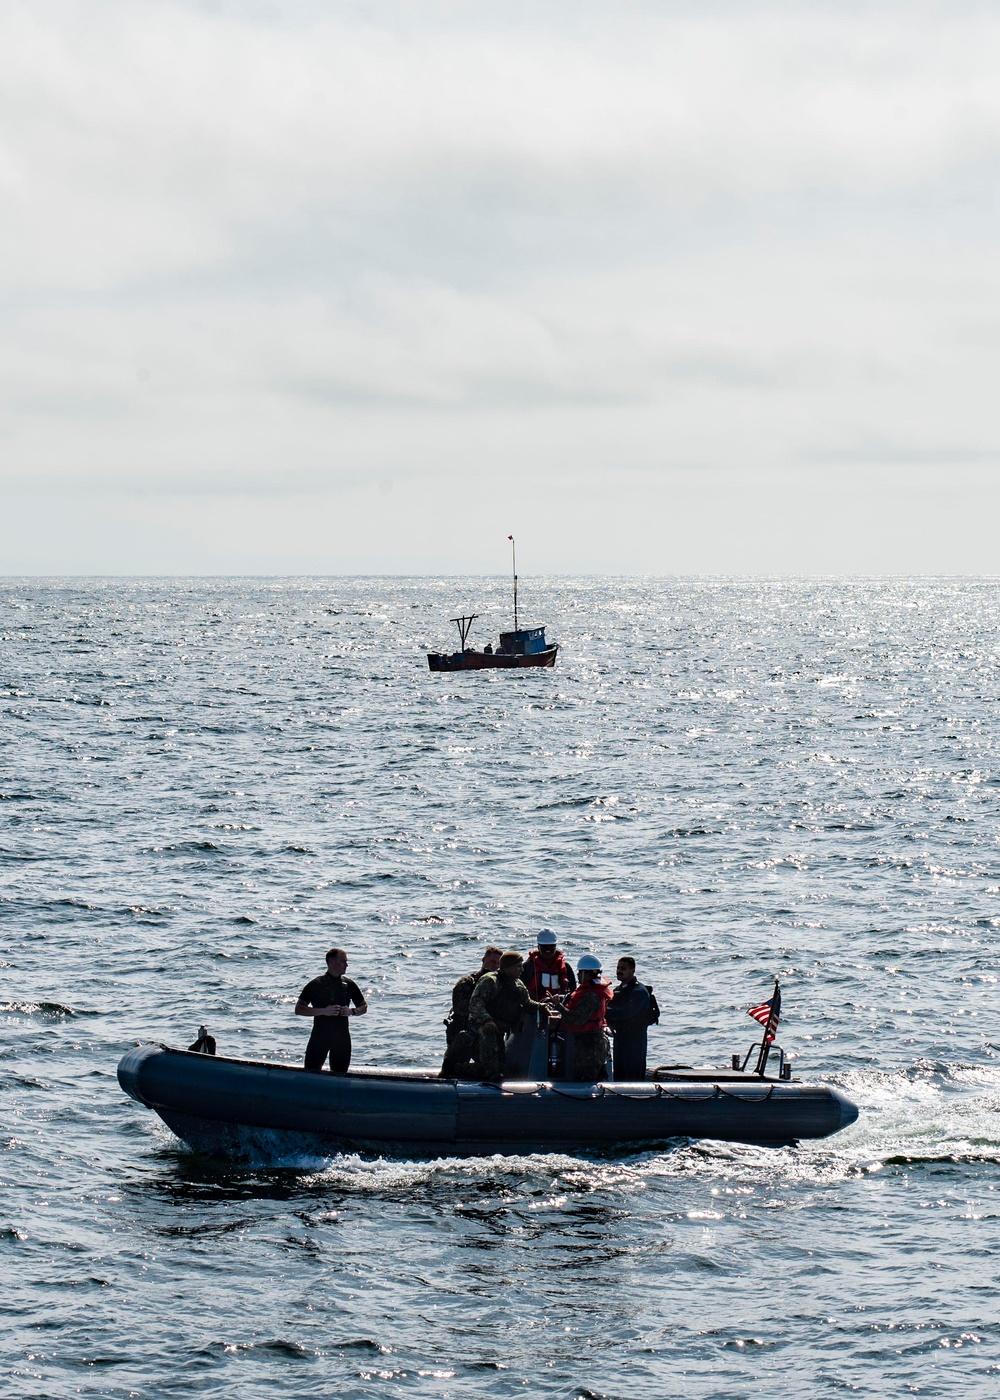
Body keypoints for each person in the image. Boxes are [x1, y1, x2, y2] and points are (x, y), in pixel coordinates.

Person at [467, 950, 550, 1081]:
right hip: (482, 1026)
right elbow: (476, 1002)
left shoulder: (518, 984)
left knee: (501, 1062)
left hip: (501, 1028)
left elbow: (527, 1003)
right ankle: (490, 1073)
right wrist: (487, 1020)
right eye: (518, 966)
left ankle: (476, 1070)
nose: (522, 969)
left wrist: (541, 1006)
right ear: (508, 967)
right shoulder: (490, 981)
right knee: (489, 1032)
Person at [295, 947, 368, 1073]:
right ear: (332, 962)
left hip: (341, 1038)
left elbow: (364, 1006)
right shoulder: (316, 984)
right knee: (311, 1072)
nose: (347, 964)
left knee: (340, 1073)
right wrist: (323, 1011)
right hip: (320, 1037)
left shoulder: (349, 984)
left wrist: (352, 1011)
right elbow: (299, 1009)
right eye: (343, 961)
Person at [440, 946, 503, 1077]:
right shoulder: (467, 982)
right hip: (464, 1033)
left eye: (498, 963)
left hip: (485, 1036)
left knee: (493, 1068)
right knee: (449, 1070)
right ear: (483, 960)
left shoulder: (499, 985)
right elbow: (460, 1007)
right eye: (492, 962)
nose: (495, 966)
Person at [553, 954, 613, 1082]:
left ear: (588, 973)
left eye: (580, 972)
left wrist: (559, 1006)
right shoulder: (593, 991)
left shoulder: (591, 995)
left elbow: (576, 1019)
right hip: (589, 1041)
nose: (578, 975)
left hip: (590, 1044)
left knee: (586, 1079)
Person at [605, 956, 651, 1082]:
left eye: (623, 968)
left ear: (632, 970)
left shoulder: (639, 991)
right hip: (620, 1038)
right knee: (619, 1076)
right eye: (618, 968)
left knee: (633, 1076)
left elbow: (627, 1012)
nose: (619, 971)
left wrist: (604, 1009)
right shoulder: (617, 991)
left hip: (635, 1040)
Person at [520, 929, 576, 1001]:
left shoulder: (566, 967)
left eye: (551, 946)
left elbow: (573, 991)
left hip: (560, 1008)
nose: (548, 950)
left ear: (555, 946)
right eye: (544, 946)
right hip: (534, 1008)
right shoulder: (528, 967)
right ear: (538, 946)